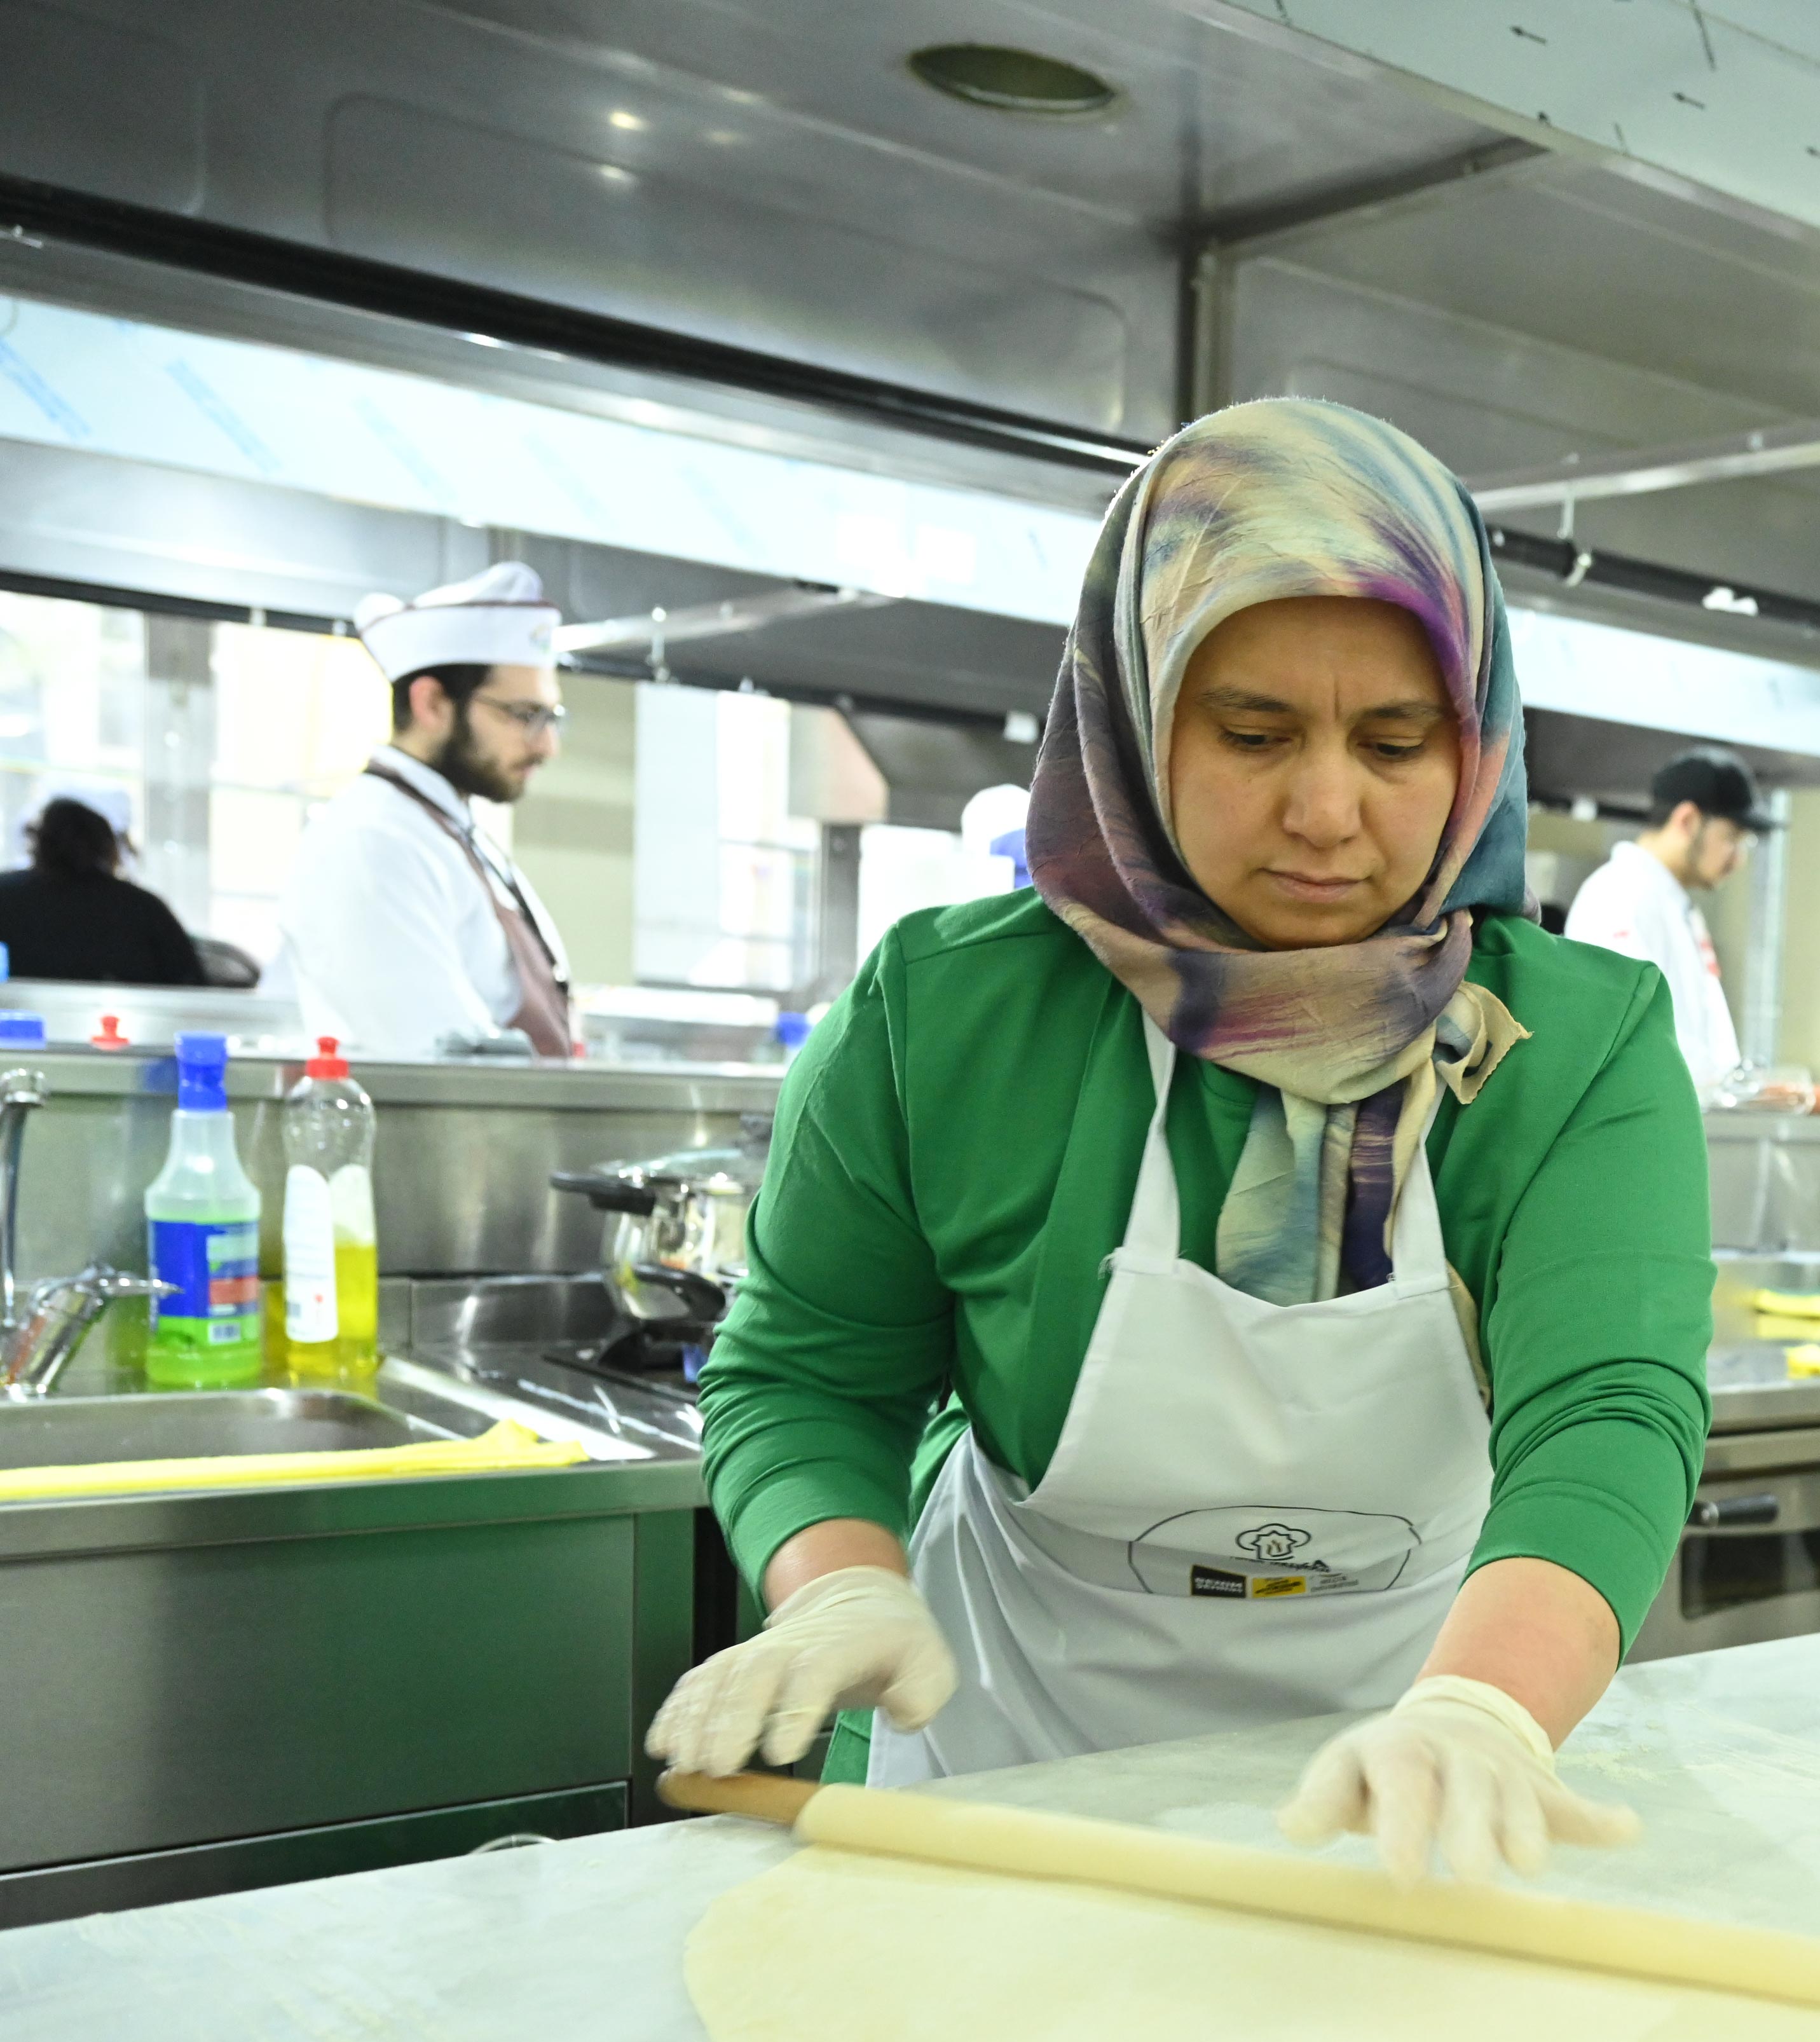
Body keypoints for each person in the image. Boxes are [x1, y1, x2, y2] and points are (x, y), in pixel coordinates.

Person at [642, 397, 1714, 1888]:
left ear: (1475, 741)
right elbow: (810, 1370)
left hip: (1420, 1739)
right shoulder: (949, 1012)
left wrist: (1485, 1707)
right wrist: (834, 1579)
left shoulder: (1577, 1046)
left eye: (1397, 740)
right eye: (1253, 731)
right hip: (1007, 1732)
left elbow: (1607, 1408)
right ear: (1132, 714)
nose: (1327, 810)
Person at [274, 563, 577, 1058]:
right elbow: (447, 1065)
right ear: (432, 703)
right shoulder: (373, 842)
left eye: (552, 718)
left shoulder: (447, 830)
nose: (547, 745)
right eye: (524, 715)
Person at [1564, 748, 1764, 1090]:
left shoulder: (1675, 905)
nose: (1738, 860)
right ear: (1687, 820)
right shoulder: (1618, 895)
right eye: (1732, 838)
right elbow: (1623, 1036)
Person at [0, 786, 205, 988]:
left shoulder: (6, 895)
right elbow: (192, 987)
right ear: (107, 846)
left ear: (37, 842)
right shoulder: (142, 907)